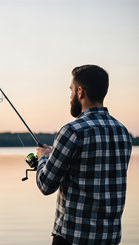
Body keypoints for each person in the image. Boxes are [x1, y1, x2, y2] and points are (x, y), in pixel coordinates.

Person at [35, 65, 132, 245]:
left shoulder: (72, 131)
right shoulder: (123, 132)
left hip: (73, 238)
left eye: (71, 91)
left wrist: (43, 158)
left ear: (80, 92)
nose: (70, 96)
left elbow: (46, 185)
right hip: (110, 239)